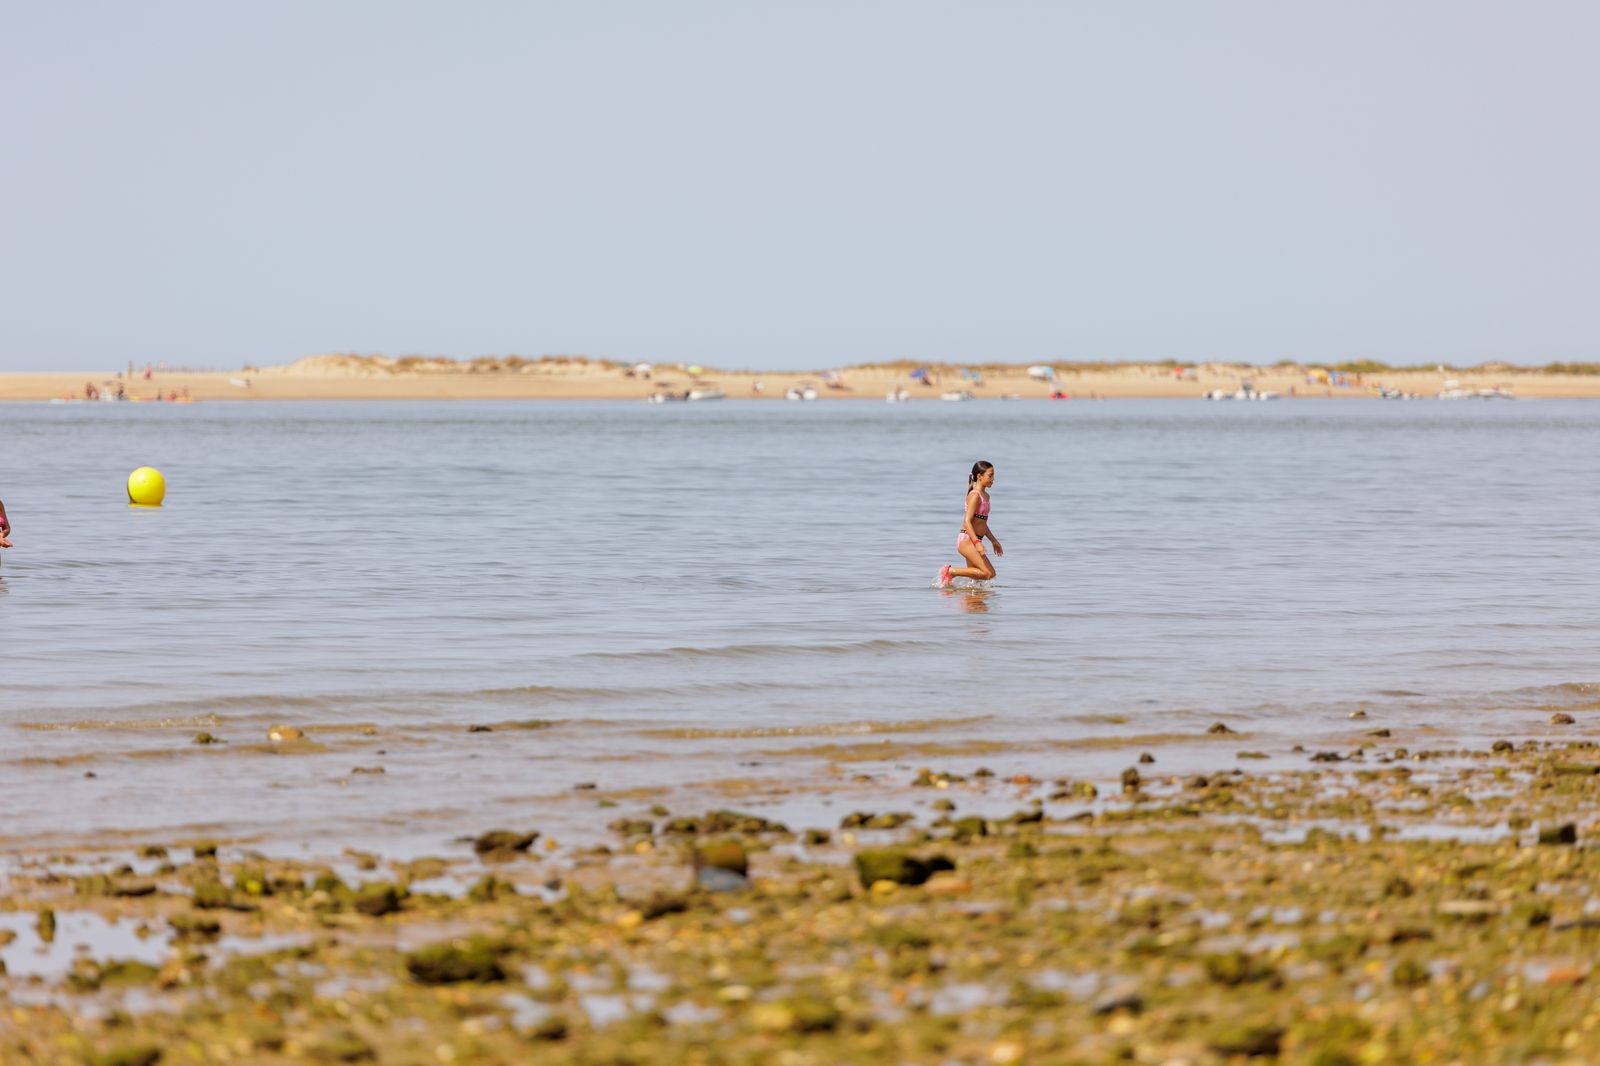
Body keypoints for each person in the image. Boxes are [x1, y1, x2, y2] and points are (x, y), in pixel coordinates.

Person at [936, 460, 1002, 587]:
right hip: (967, 540)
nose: (993, 479)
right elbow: (967, 521)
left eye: (993, 476)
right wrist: (977, 544)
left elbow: (982, 523)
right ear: (979, 476)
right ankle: (950, 571)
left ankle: (970, 602)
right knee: (988, 574)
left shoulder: (986, 497)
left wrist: (994, 541)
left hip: (975, 539)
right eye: (990, 475)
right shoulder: (974, 495)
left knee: (977, 582)